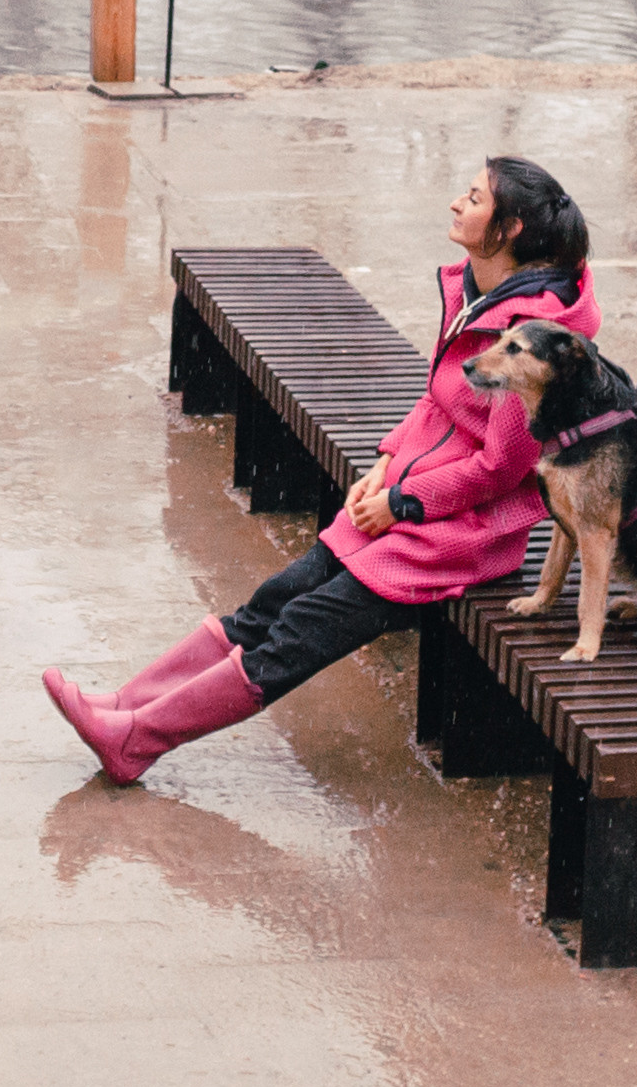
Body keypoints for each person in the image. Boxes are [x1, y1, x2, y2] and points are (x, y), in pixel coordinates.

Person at [43, 156, 600, 784]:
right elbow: (436, 399)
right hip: (413, 501)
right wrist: (387, 461)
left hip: (462, 536)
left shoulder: (536, 340)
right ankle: (123, 705)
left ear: (509, 229)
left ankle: (136, 743)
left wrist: (404, 502)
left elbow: (502, 468)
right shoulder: (481, 293)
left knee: (300, 631)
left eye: (473, 199)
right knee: (271, 602)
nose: (455, 203)